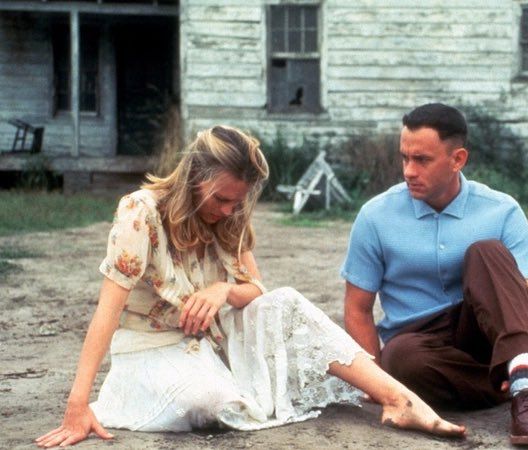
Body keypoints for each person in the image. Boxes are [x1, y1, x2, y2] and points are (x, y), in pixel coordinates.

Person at [35, 125, 466, 448]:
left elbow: (255, 288)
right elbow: (107, 311)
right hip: (151, 346)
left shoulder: (231, 210)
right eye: (220, 199)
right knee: (215, 402)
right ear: (193, 178)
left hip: (209, 337)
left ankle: (398, 399)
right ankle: (215, 386)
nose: (229, 210)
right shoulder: (140, 212)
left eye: (237, 201)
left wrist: (222, 291)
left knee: (287, 301)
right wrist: (77, 404)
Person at [341, 103, 528, 446]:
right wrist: (380, 386)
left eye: (421, 160)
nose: (408, 171)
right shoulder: (375, 216)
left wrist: (526, 346)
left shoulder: (502, 210)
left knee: (486, 251)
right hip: (420, 345)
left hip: (485, 331)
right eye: (404, 158)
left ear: (458, 159)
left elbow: (526, 297)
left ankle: (525, 387)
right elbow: (357, 308)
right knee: (399, 360)